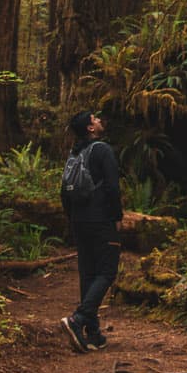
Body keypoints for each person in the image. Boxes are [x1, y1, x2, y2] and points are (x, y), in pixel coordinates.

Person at [59, 109, 123, 352]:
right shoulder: (102, 150)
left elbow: (64, 190)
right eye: (95, 118)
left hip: (79, 221)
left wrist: (71, 219)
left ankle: (93, 333)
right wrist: (116, 217)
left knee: (88, 273)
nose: (98, 119)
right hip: (101, 220)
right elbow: (113, 188)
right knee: (107, 271)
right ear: (90, 128)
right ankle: (78, 319)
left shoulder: (75, 152)